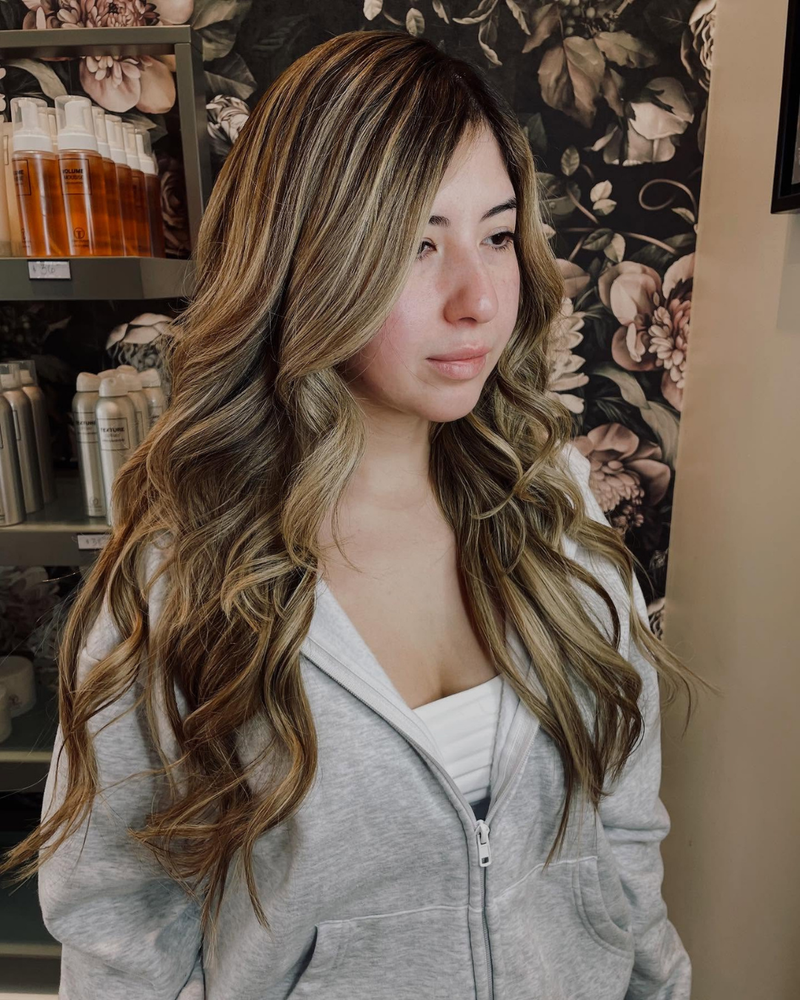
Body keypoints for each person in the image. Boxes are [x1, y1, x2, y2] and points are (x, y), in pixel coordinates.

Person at [1, 29, 707, 1000]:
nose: (477, 298)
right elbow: (120, 927)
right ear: (305, 258)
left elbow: (622, 823)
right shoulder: (183, 574)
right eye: (417, 243)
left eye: (497, 235)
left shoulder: (552, 503)